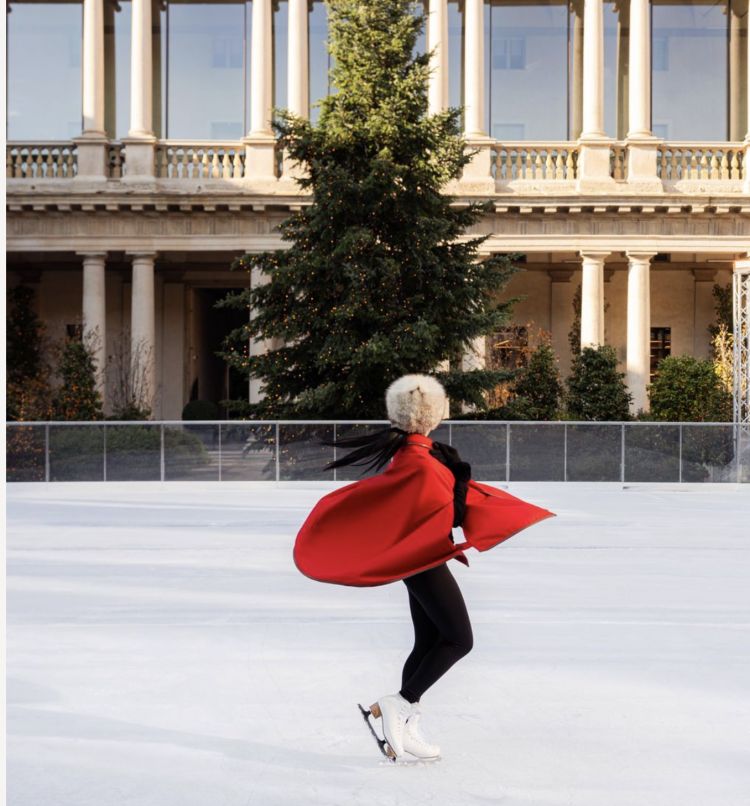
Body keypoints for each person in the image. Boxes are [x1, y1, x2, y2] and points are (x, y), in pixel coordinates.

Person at [294, 374, 555, 762]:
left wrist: (455, 482)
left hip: (419, 557)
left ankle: (405, 725)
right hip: (423, 559)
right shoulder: (420, 461)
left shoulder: (417, 455)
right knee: (459, 640)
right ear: (433, 415)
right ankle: (399, 703)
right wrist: (461, 489)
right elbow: (442, 512)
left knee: (429, 642)